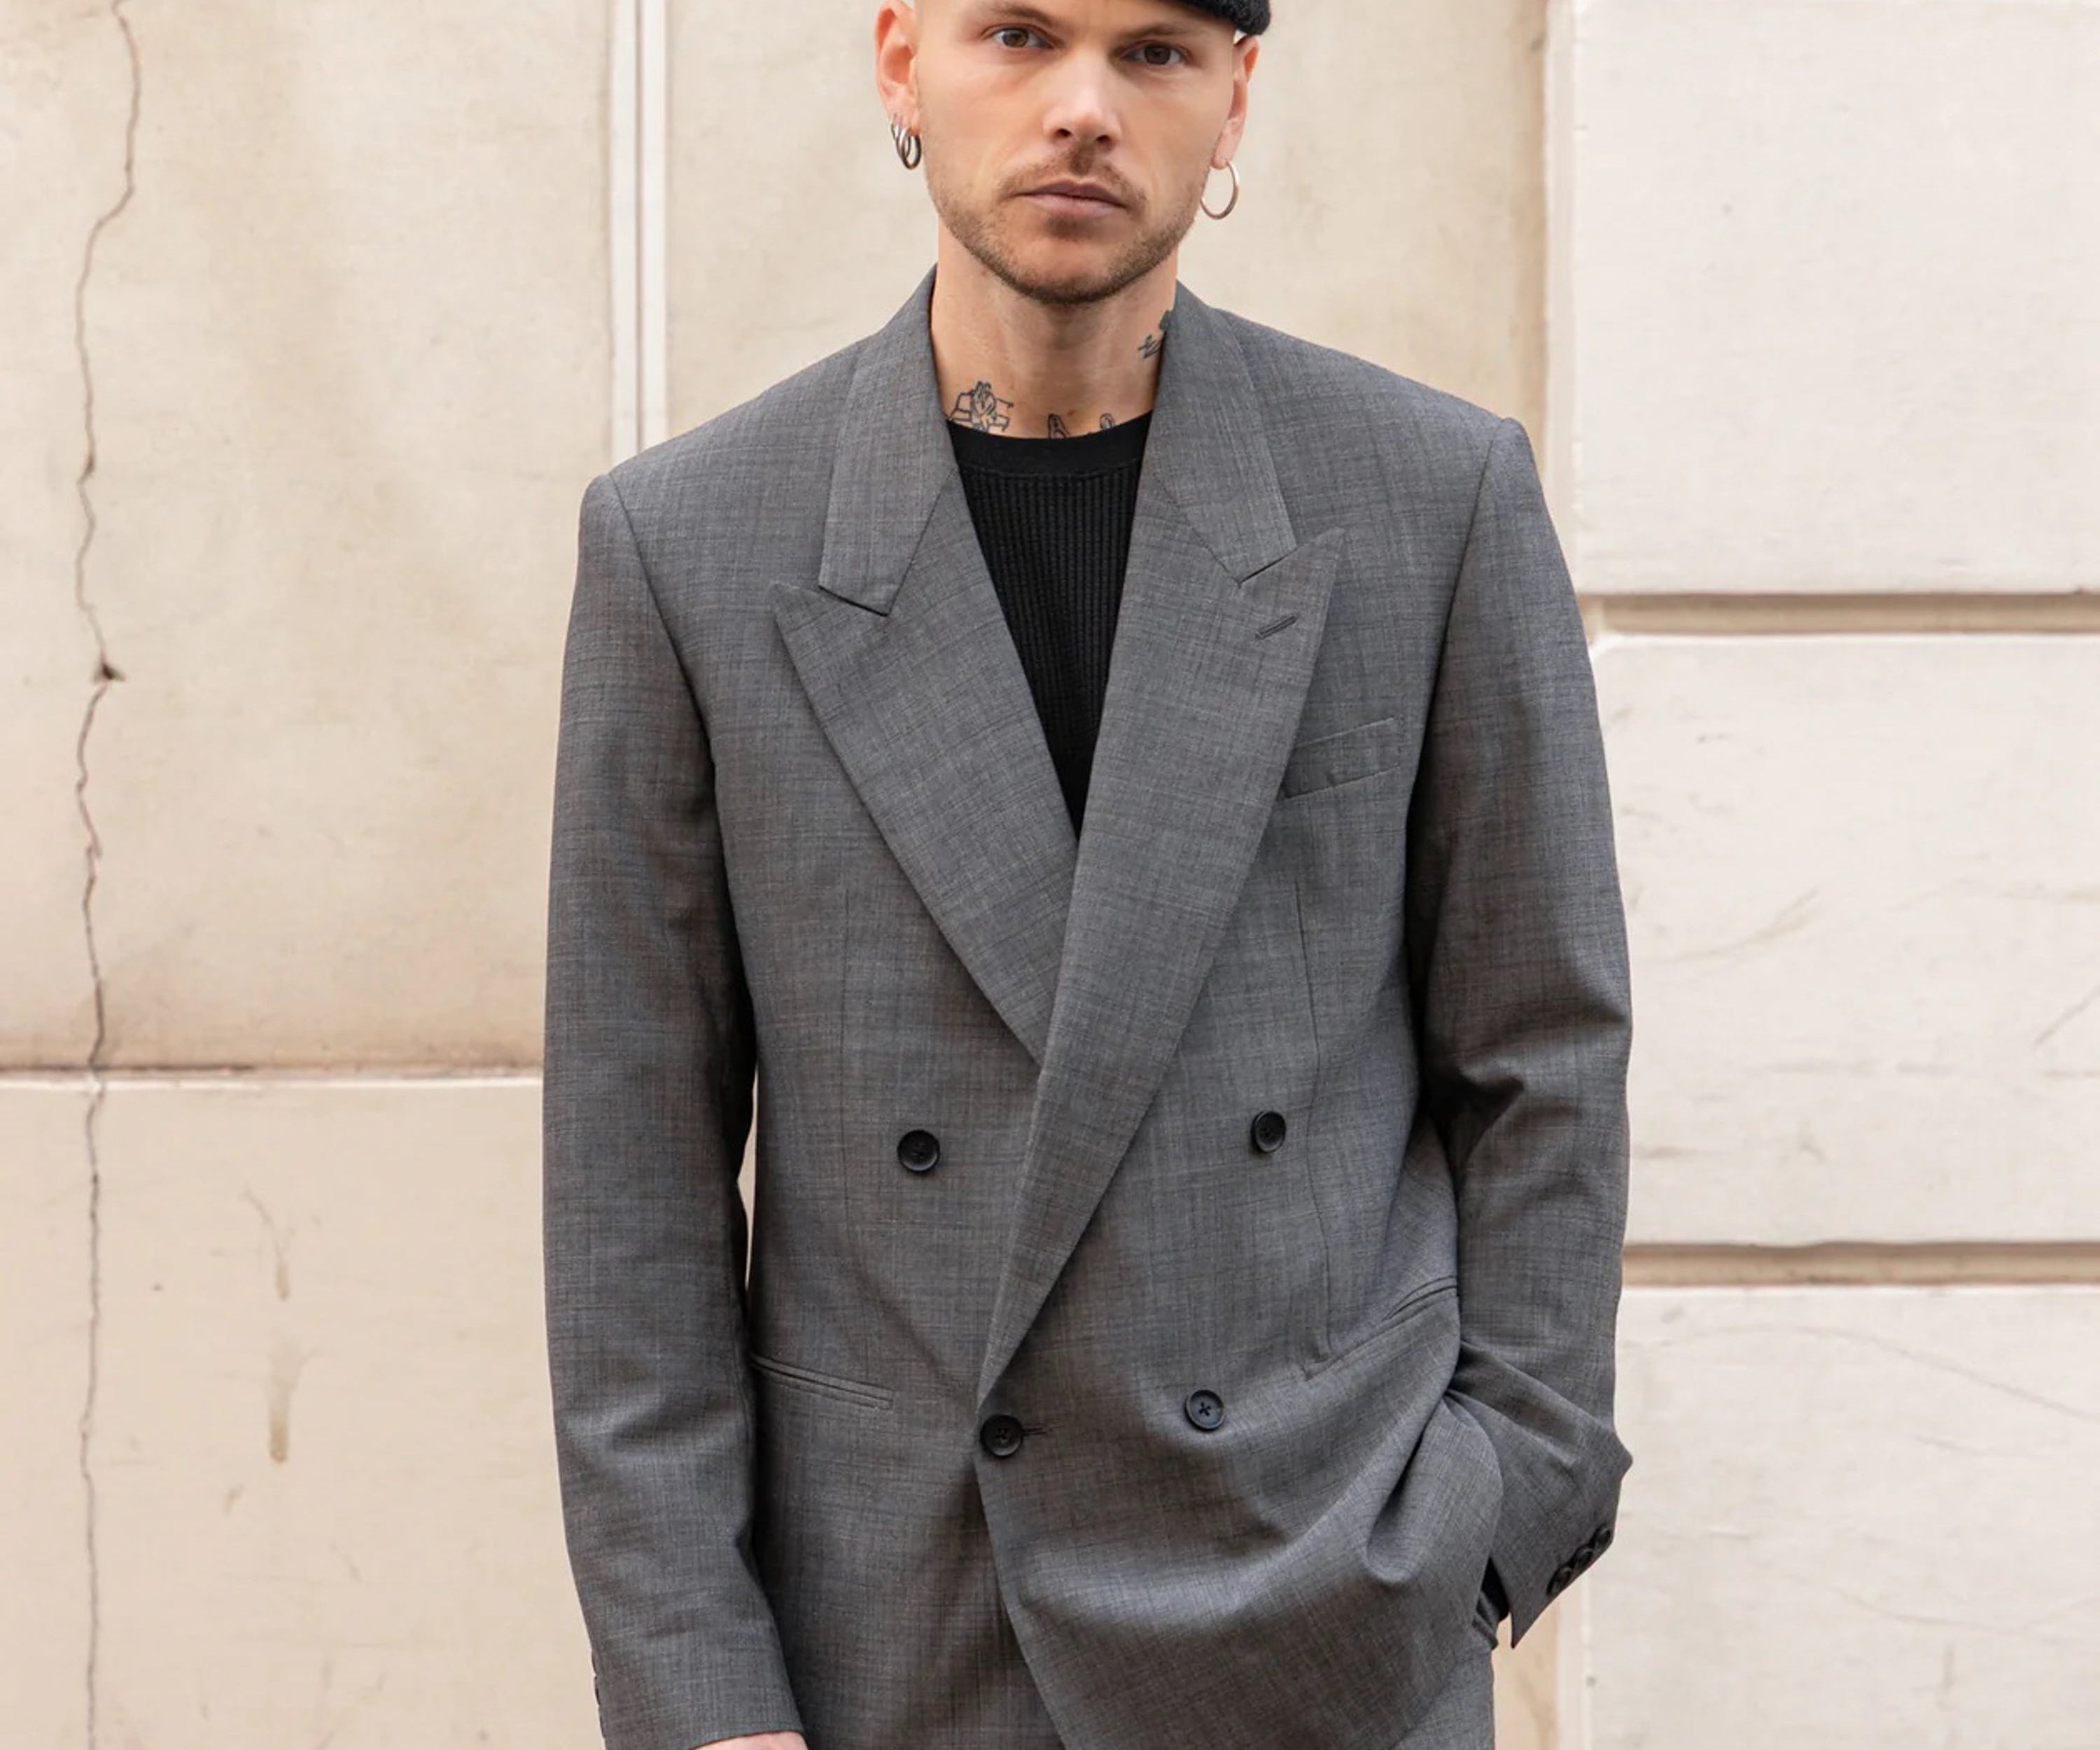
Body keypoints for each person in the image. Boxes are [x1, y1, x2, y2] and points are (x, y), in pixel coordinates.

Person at [540, 1, 1634, 1746]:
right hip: (894, 1636)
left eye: (1155, 54)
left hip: (1327, 1608)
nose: (1082, 108)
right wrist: (700, 1688)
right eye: (1019, 35)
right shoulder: (692, 544)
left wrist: (1496, 1506)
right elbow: (633, 1167)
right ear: (900, 60)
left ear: (1237, 97)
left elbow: (1543, 1047)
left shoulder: (1431, 499)